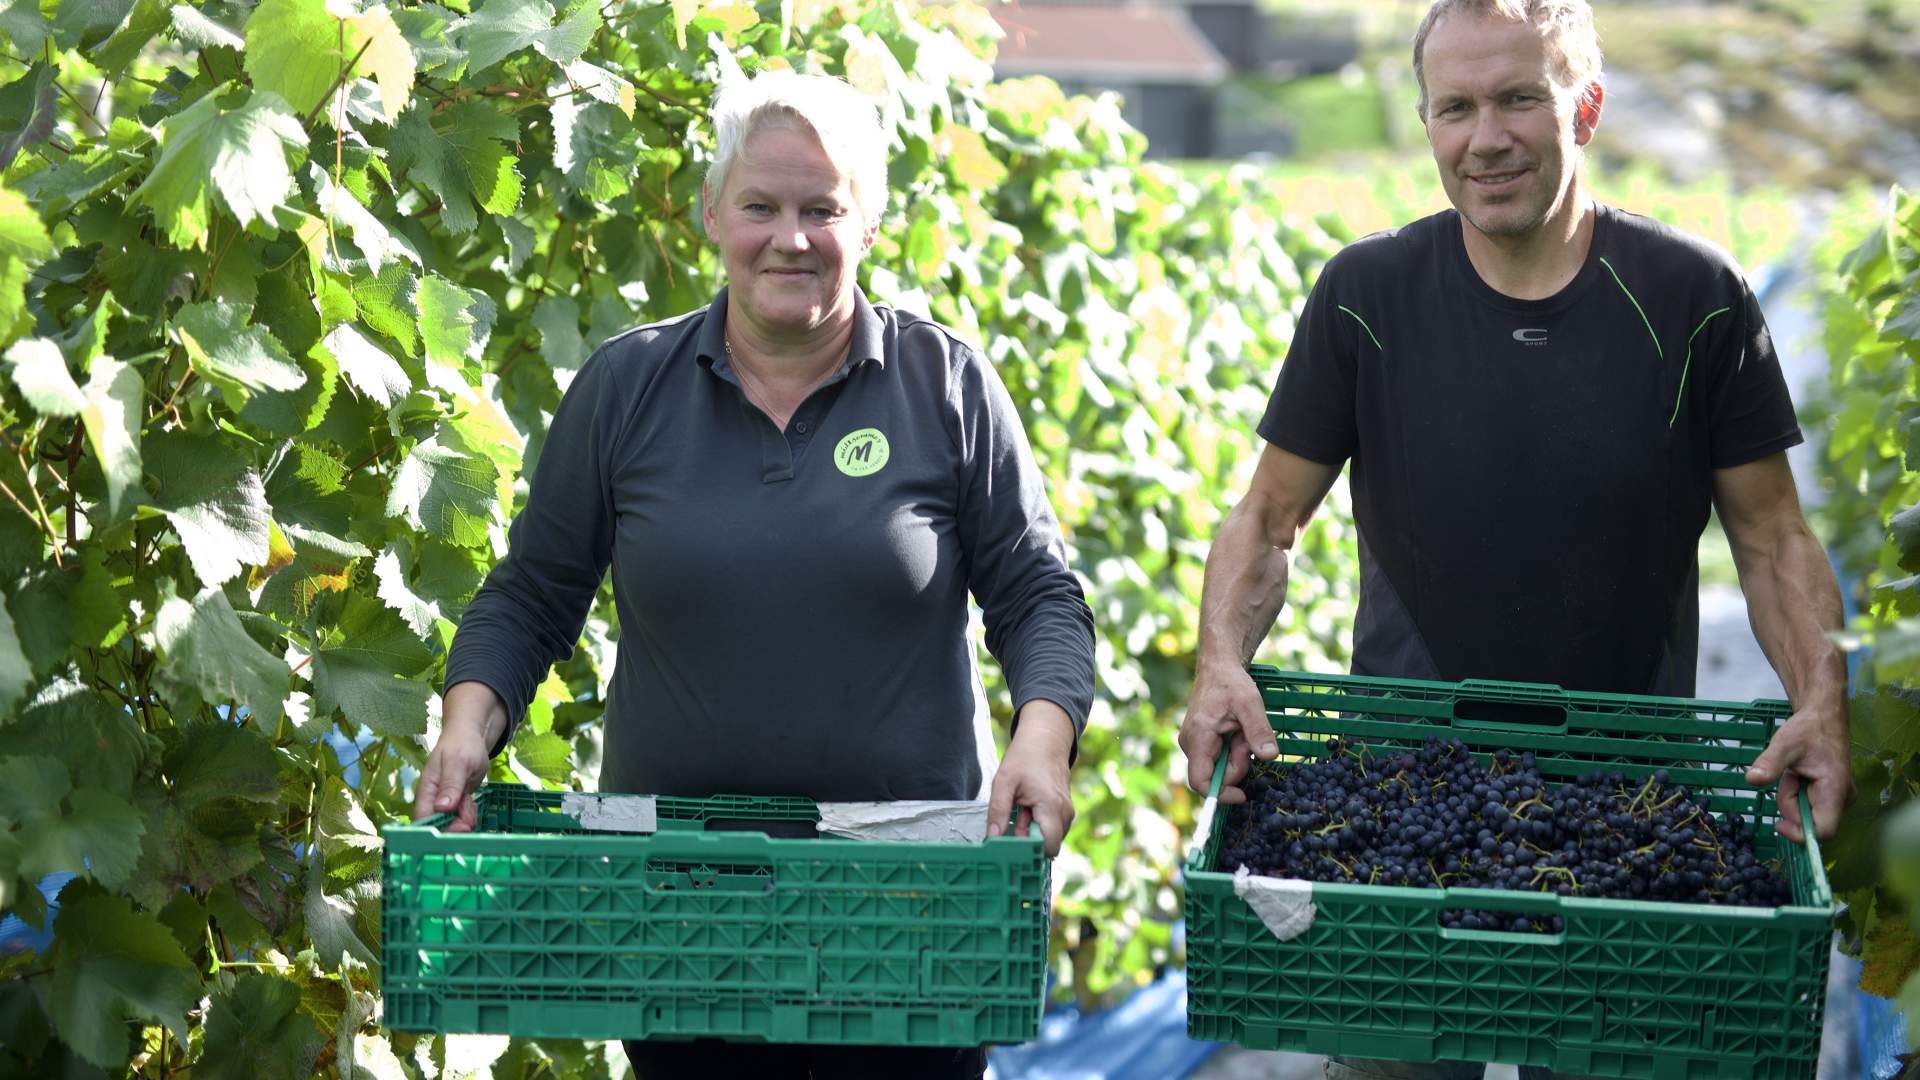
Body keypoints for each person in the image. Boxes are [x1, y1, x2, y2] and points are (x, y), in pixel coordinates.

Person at [1178, 2, 1852, 1078]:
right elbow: (1267, 518)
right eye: (1455, 108)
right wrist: (1221, 663)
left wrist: (1821, 703)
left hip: (1628, 812)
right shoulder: (1367, 295)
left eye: (1518, 99)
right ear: (1427, 123)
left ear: (1583, 106)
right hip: (1400, 808)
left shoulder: (1695, 298)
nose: (1484, 136)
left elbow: (1773, 539)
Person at [411, 70, 1096, 1080]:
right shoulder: (627, 388)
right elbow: (532, 594)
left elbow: (1039, 592)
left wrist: (1042, 740)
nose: (792, 238)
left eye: (823, 208)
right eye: (761, 207)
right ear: (710, 216)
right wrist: (468, 724)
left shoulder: (943, 386)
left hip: (902, 910)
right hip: (681, 911)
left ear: (869, 223)